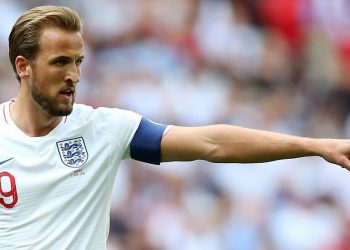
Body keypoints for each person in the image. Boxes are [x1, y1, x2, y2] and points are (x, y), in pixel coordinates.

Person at [0, 5, 349, 250]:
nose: (74, 75)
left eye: (78, 62)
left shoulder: (103, 128)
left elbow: (212, 143)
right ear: (23, 67)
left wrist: (314, 146)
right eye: (60, 62)